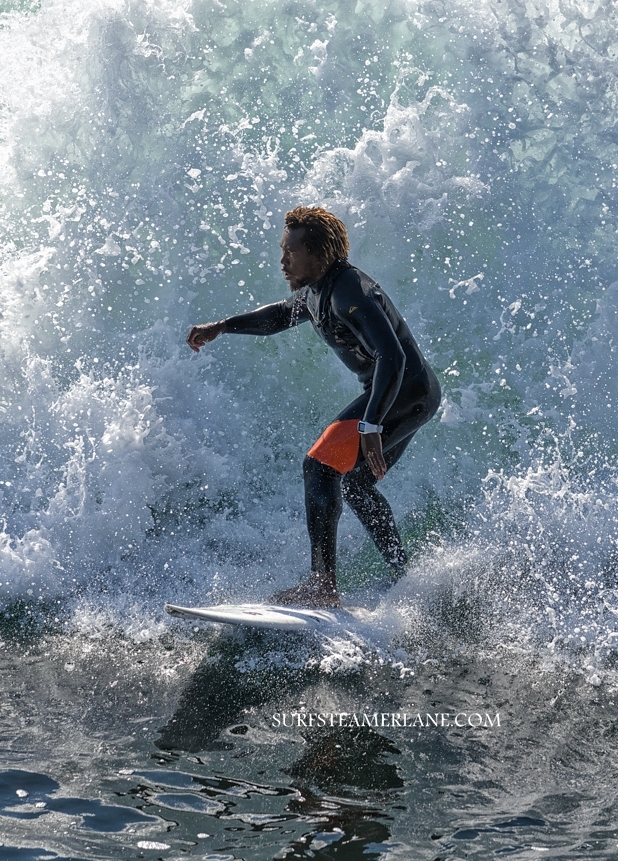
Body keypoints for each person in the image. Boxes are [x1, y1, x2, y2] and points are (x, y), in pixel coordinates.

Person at [186, 206, 442, 607]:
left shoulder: (349, 292)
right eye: (283, 250)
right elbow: (276, 317)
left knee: (319, 466)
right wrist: (222, 325)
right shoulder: (316, 291)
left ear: (319, 253)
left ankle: (322, 586)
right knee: (356, 484)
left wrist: (371, 425)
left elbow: (393, 357)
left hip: (405, 390)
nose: (282, 261)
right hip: (408, 393)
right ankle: (403, 577)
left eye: (291, 252)